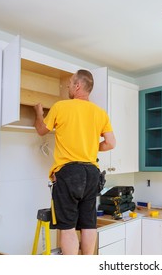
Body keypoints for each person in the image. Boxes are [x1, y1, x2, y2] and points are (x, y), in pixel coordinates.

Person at [33, 69, 116, 255]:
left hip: (69, 173)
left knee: (68, 226)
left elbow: (41, 130)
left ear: (78, 85)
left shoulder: (61, 106)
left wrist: (38, 113)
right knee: (88, 224)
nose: (68, 86)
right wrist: (90, 146)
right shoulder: (100, 113)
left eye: (70, 83)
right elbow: (111, 143)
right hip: (92, 173)